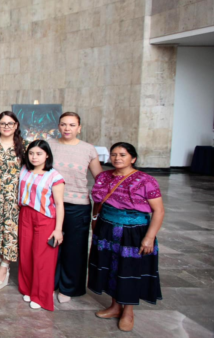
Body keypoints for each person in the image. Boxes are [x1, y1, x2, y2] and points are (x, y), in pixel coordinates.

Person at [88, 142, 164, 332]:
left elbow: (159, 211)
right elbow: (98, 202)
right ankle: (115, 306)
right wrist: (95, 219)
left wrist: (149, 237)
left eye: (122, 154)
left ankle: (128, 311)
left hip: (133, 232)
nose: (117, 158)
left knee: (129, 269)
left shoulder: (146, 180)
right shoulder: (104, 177)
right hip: (107, 228)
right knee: (110, 266)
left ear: (133, 158)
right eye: (114, 154)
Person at [47, 112, 103, 303]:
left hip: (77, 204)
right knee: (51, 245)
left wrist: (99, 208)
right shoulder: (50, 145)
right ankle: (51, 282)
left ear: (79, 128)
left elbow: (100, 180)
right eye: (63, 124)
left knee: (74, 248)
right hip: (51, 203)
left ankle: (69, 287)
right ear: (58, 126)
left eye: (72, 125)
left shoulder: (88, 149)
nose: (67, 128)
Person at [17, 140, 65, 311]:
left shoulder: (54, 176)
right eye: (31, 153)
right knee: (26, 254)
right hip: (25, 214)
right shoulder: (24, 170)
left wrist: (58, 229)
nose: (34, 157)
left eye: (38, 154)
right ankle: (28, 289)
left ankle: (41, 295)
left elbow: (59, 204)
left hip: (45, 217)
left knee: (42, 257)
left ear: (47, 156)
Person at [0, 111, 28, 290]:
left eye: (10, 123)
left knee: (10, 231)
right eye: (3, 123)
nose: (7, 126)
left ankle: (4, 267)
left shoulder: (24, 146)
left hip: (13, 197)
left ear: (16, 125)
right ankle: (1, 260)